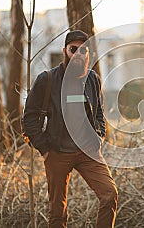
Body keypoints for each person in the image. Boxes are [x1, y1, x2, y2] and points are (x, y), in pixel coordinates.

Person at [22, 30, 118, 228]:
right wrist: (44, 149)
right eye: (74, 49)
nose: (78, 54)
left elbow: (99, 113)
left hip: (87, 152)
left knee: (110, 194)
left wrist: (98, 137)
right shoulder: (46, 80)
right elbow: (29, 117)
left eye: (84, 50)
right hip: (57, 152)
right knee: (57, 212)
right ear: (65, 51)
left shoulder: (93, 79)